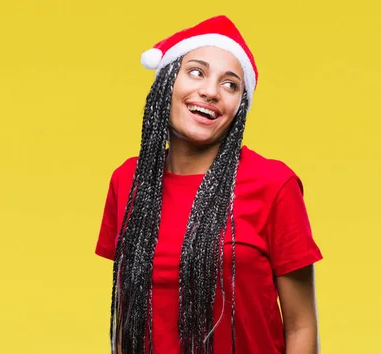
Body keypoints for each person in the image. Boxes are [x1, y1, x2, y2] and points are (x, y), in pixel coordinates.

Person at [94, 15, 323, 354]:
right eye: (196, 72)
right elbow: (129, 314)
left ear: (239, 108)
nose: (211, 91)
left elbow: (302, 325)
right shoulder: (128, 181)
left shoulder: (274, 184)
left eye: (230, 84)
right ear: (166, 82)